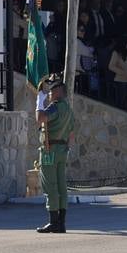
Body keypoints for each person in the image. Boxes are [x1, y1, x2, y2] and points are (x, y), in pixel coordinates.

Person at [34, 76, 75, 235]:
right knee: (61, 186)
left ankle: (53, 222)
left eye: (51, 92)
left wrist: (39, 102)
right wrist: (67, 150)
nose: (49, 95)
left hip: (49, 150)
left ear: (57, 92)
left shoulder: (56, 107)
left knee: (49, 185)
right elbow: (71, 134)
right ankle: (62, 222)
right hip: (62, 150)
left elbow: (41, 118)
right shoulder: (69, 110)